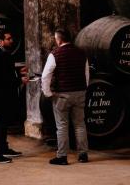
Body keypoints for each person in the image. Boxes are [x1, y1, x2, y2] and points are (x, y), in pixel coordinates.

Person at [41, 29, 90, 165]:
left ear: (59, 40)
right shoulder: (81, 53)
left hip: (62, 95)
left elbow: (45, 76)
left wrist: (47, 93)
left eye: (56, 39)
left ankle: (62, 157)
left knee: (62, 126)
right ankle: (83, 155)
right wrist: (83, 88)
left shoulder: (55, 54)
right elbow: (86, 74)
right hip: (80, 92)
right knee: (80, 124)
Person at [0, 30, 25, 163]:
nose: (11, 41)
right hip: (1, 97)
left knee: (3, 124)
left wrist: (19, 72)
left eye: (11, 38)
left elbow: (7, 73)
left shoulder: (4, 54)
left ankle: (3, 148)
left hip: (5, 96)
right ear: (0, 41)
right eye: (8, 39)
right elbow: (2, 79)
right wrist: (20, 80)